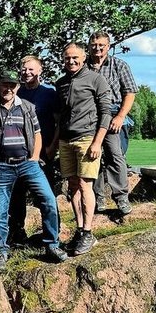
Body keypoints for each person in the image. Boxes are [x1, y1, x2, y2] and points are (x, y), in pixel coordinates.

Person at [0, 71, 66, 271]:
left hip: (28, 164)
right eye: (4, 85)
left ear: (17, 87)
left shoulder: (27, 107)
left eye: (12, 85)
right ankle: (1, 250)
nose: (8, 89)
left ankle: (52, 245)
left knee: (49, 200)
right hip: (1, 166)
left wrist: (34, 157)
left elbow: (37, 133)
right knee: (0, 212)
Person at [48, 42, 111, 256]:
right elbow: (59, 117)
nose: (71, 61)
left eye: (75, 57)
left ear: (84, 58)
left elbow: (106, 113)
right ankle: (80, 229)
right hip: (66, 140)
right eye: (67, 58)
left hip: (87, 138)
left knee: (85, 185)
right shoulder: (61, 83)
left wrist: (97, 142)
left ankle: (88, 232)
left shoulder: (96, 79)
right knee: (73, 186)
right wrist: (54, 144)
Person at [10, 55, 60, 241]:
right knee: (17, 194)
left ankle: (52, 234)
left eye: (31, 69)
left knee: (46, 195)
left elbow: (59, 122)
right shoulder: (17, 93)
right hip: (20, 152)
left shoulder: (49, 92)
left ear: (40, 70)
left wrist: (52, 147)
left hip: (43, 152)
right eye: (24, 69)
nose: (27, 72)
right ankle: (17, 233)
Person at [88, 31, 137, 214]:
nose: (97, 48)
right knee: (93, 156)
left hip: (113, 112)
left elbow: (130, 93)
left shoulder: (119, 65)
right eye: (94, 45)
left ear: (108, 46)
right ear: (89, 46)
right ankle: (98, 198)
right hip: (89, 115)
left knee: (115, 155)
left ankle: (121, 197)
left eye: (101, 45)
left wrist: (121, 117)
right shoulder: (83, 67)